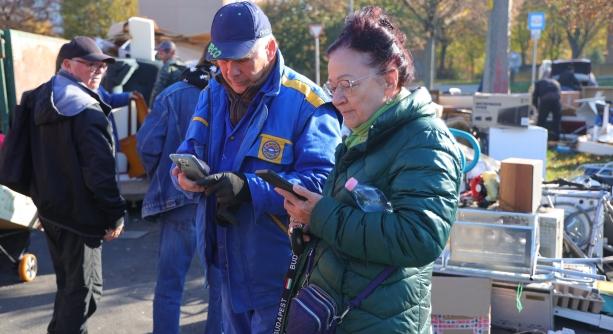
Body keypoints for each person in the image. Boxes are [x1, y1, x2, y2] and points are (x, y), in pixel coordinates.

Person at [276, 7, 462, 333]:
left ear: (389, 79)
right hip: (345, 311)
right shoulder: (365, 133)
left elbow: (420, 238)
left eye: (347, 84)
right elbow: (348, 216)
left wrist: (322, 217)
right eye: (332, 85)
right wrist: (310, 222)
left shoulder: (426, 140)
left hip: (382, 319)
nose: (336, 98)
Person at [173, 2, 342, 333]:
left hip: (278, 274)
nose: (231, 71)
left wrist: (248, 188)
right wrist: (182, 175)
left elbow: (322, 181)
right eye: (222, 60)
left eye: (242, 60)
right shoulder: (212, 91)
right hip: (222, 266)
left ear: (270, 47)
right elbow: (190, 146)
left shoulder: (309, 103)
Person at [5, 36, 126, 333]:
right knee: (84, 293)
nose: (98, 71)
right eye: (90, 65)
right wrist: (115, 215)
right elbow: (100, 173)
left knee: (70, 287)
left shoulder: (39, 97)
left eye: (102, 66)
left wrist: (40, 202)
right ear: (67, 65)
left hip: (52, 213)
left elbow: (23, 159)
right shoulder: (85, 109)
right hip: (79, 218)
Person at [136, 57, 221, 334]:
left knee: (170, 285)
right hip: (223, 199)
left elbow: (147, 145)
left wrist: (163, 174)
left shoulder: (173, 94)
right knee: (222, 287)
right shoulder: (233, 93)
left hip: (179, 200)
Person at [150, 40, 186, 105]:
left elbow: (158, 89)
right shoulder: (182, 65)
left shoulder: (166, 67)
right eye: (159, 50)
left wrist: (152, 106)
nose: (159, 52)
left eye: (162, 51)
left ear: (172, 52)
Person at [532, 69, 562, 141]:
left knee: (541, 120)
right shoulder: (556, 82)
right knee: (557, 120)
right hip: (556, 101)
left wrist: (536, 107)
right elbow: (559, 94)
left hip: (545, 100)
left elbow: (535, 96)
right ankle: (556, 137)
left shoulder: (538, 82)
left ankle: (538, 137)